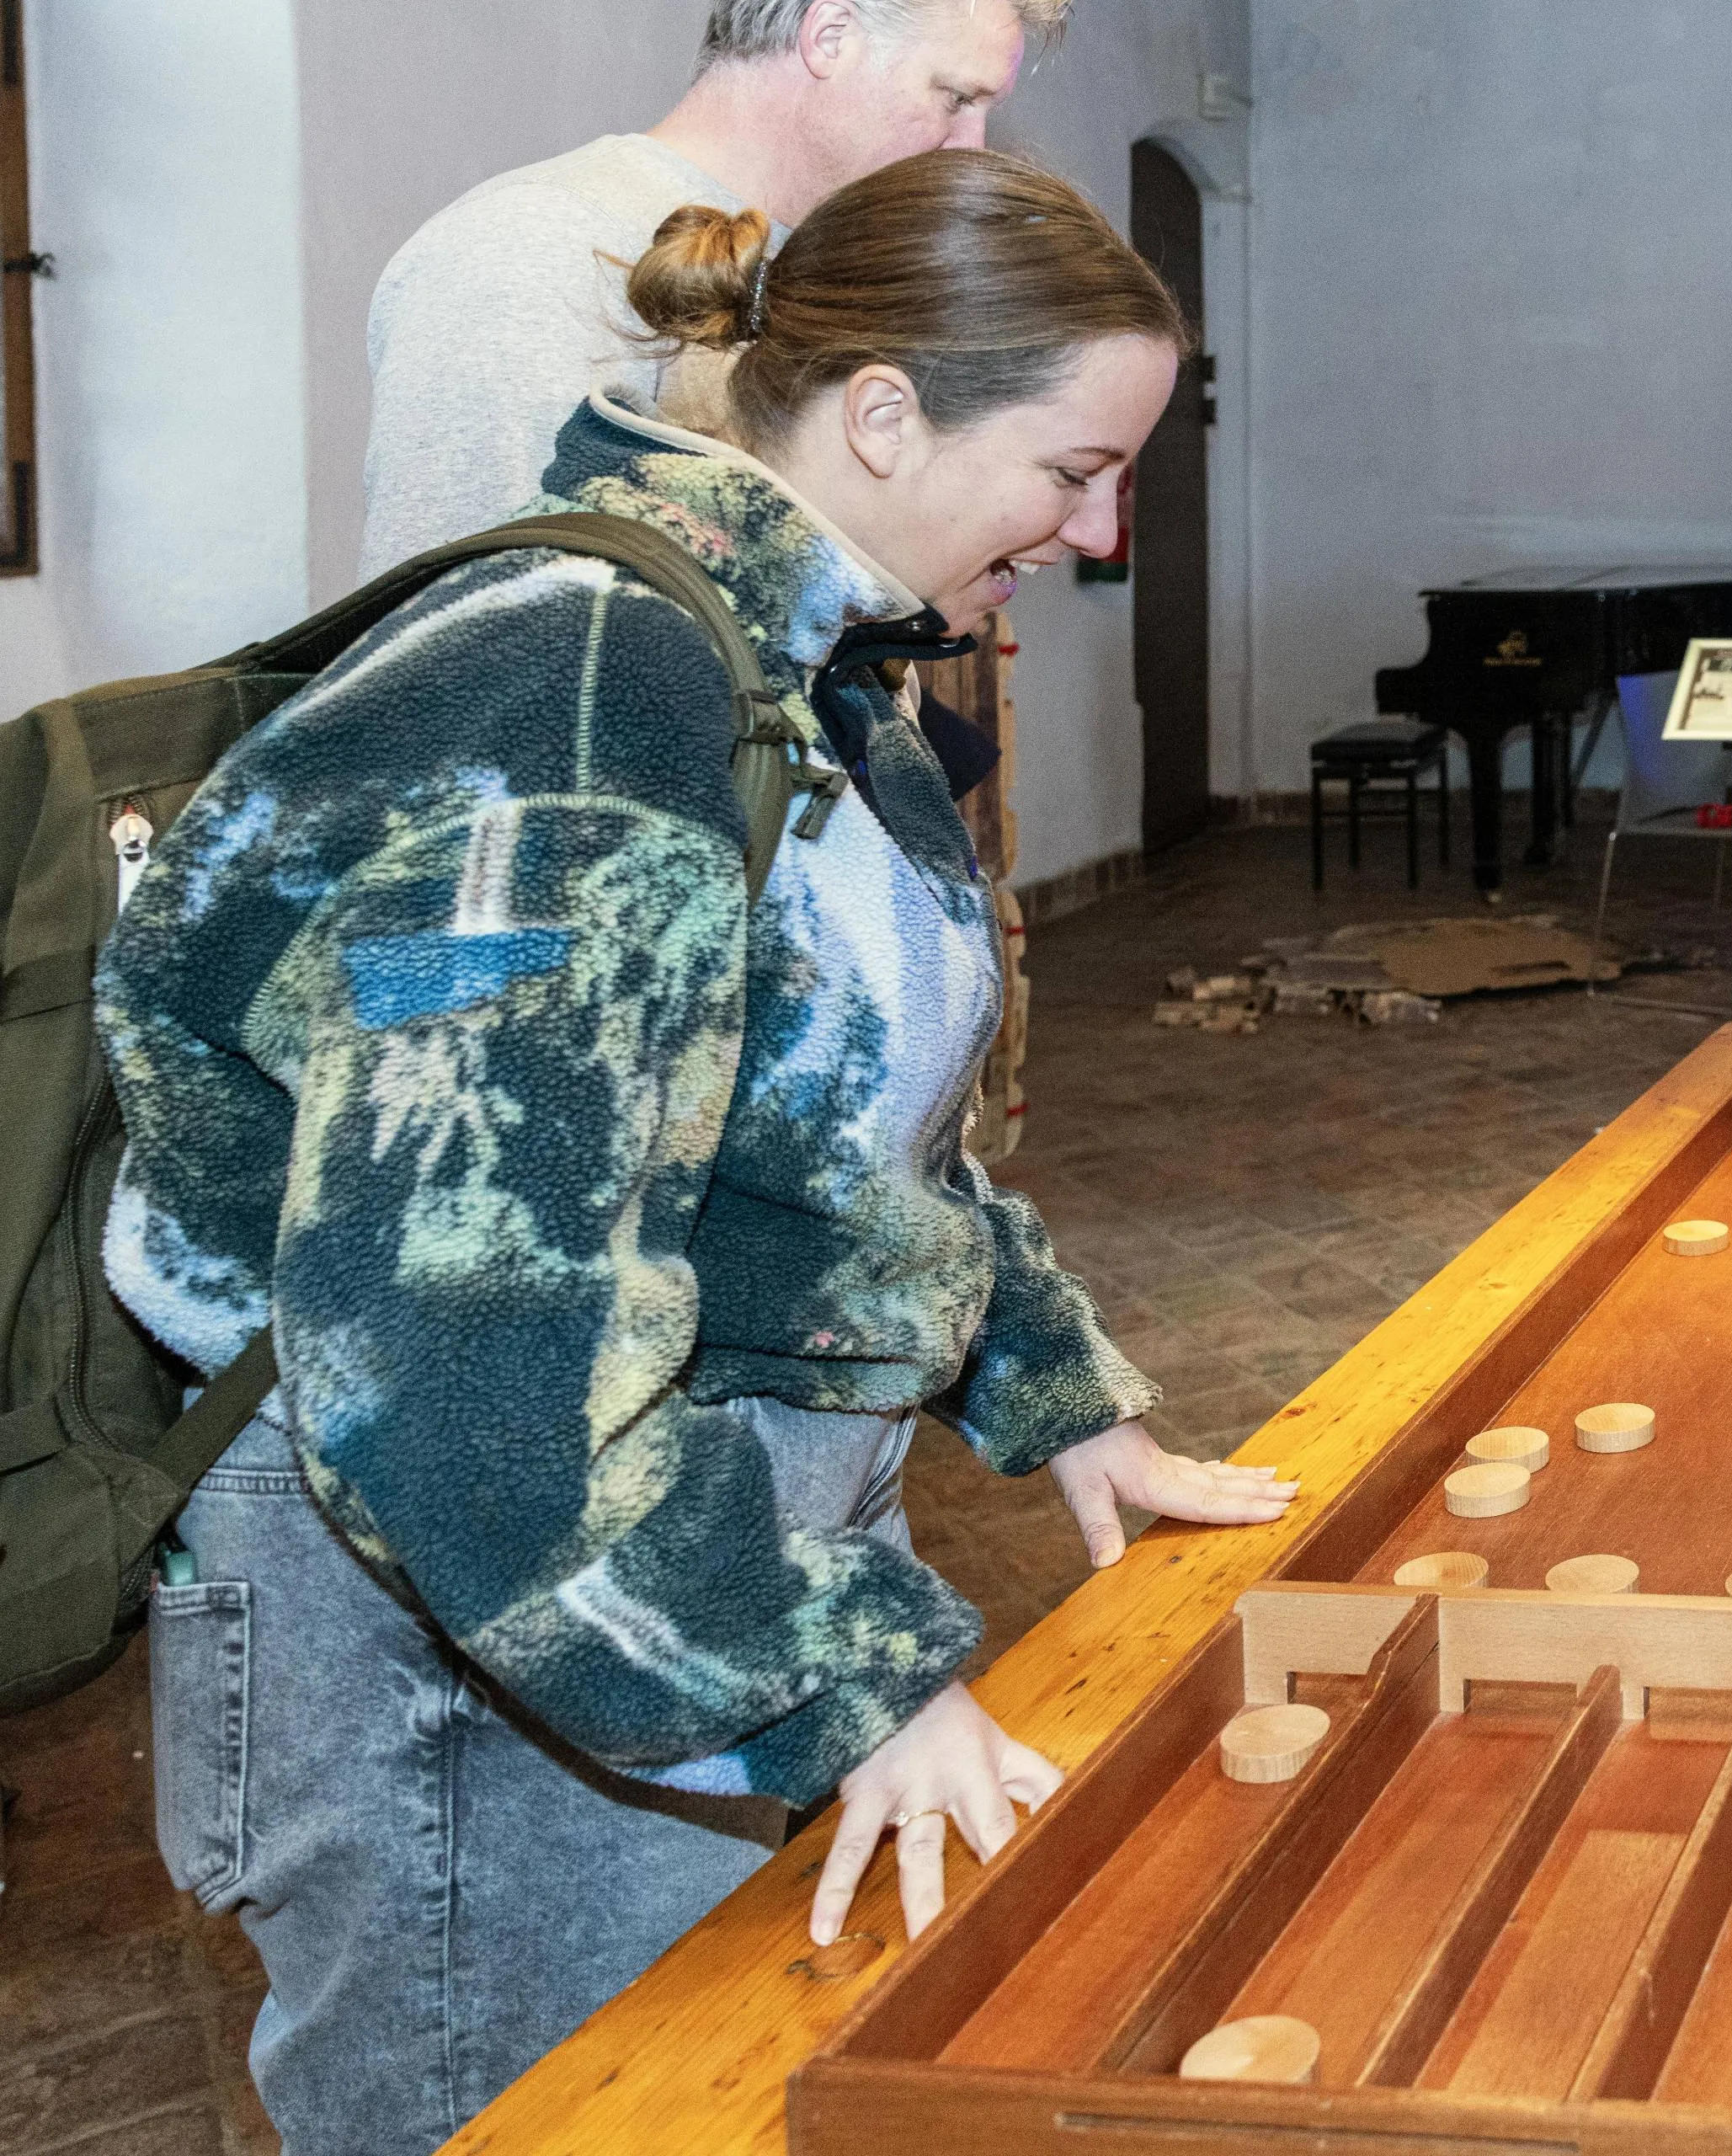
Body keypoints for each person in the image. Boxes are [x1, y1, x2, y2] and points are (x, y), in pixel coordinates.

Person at [99, 151, 1292, 2156]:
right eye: (1076, 468)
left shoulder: (797, 658)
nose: (1097, 532)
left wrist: (1055, 1390)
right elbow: (456, 1358)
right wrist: (837, 1682)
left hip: (679, 1573)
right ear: (885, 415)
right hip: (483, 1644)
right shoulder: (583, 701)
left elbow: (821, 1123)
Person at [359, 0, 1064, 576]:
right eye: (956, 97)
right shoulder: (536, 244)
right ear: (831, 34)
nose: (972, 146)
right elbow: (459, 636)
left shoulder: (847, 270)